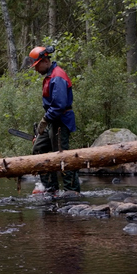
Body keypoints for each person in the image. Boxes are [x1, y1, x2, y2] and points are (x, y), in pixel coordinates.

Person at [28, 46, 81, 194]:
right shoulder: (50, 76)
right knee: (39, 148)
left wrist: (45, 120)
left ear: (45, 61)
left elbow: (59, 105)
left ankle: (72, 190)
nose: (36, 69)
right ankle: (50, 187)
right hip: (53, 119)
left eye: (37, 66)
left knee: (62, 155)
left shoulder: (58, 76)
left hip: (61, 120)